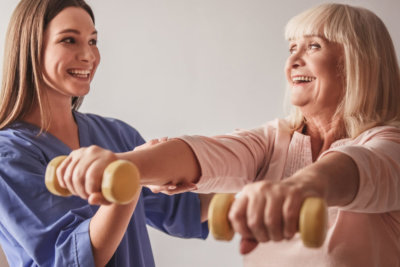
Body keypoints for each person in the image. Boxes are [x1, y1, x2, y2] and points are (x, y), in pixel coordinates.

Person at [55, 3, 400, 267]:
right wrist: (122, 163)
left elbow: (358, 167)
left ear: (357, 62)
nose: (293, 59)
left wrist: (298, 190)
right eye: (291, 47)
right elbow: (206, 153)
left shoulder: (389, 144)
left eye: (313, 46)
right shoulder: (274, 140)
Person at [0, 0, 210, 266]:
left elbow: (183, 210)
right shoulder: (8, 155)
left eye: (93, 41)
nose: (89, 56)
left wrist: (260, 168)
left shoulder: (117, 134)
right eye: (69, 40)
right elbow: (72, 258)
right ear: (30, 47)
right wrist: (126, 176)